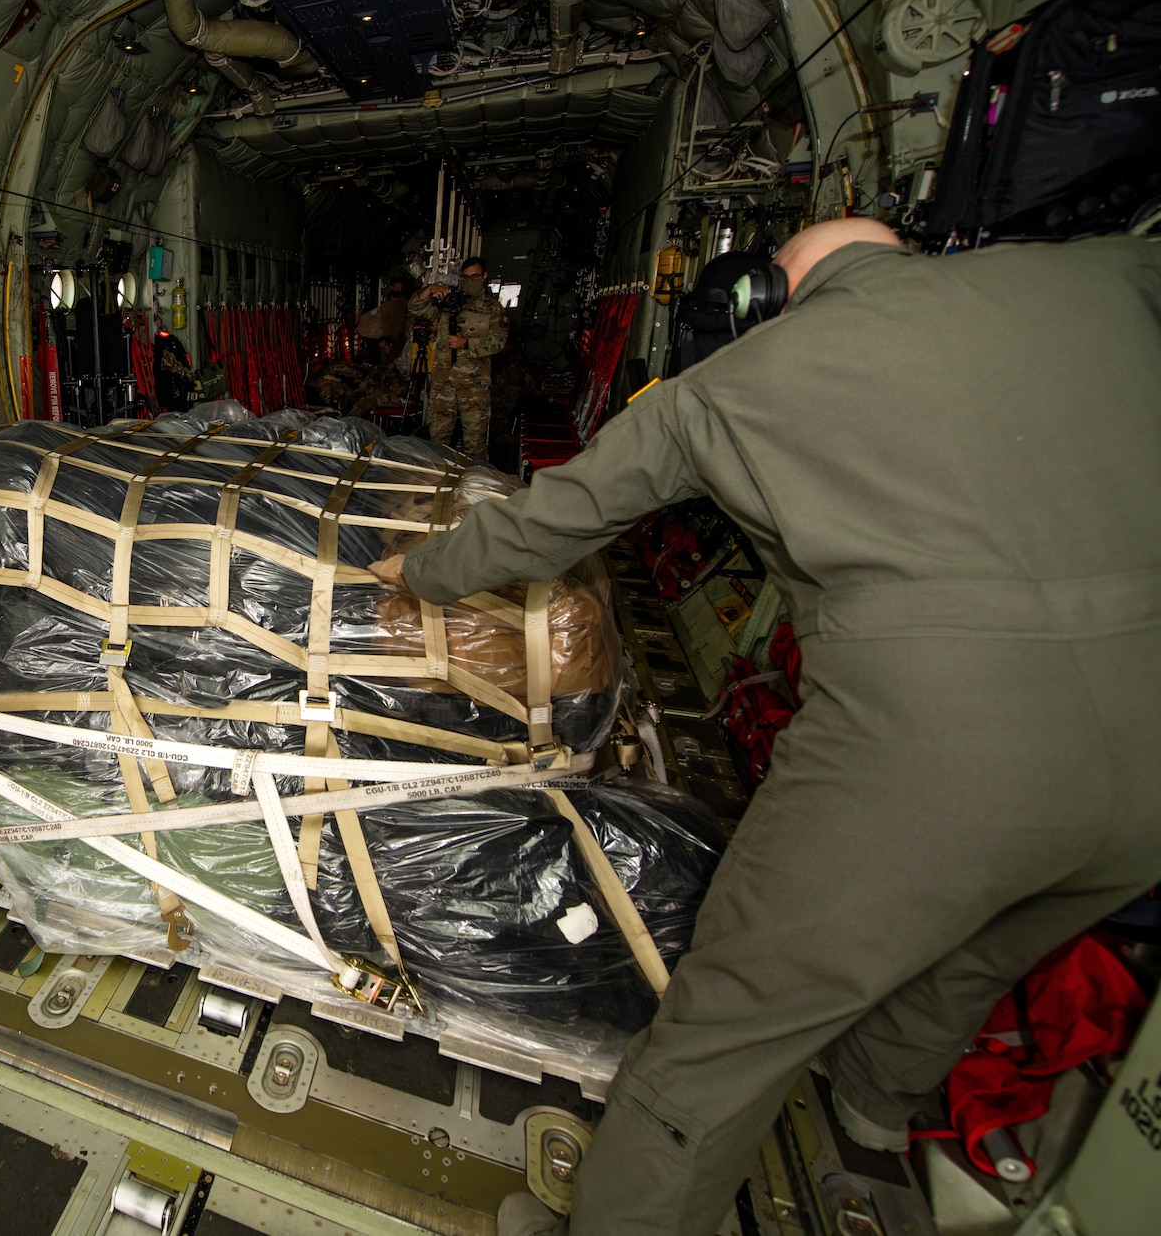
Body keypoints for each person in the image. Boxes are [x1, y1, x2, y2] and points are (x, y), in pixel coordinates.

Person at [369, 219, 1161, 1236]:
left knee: (726, 1021)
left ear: (761, 296)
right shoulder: (1101, 274)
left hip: (941, 752)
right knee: (974, 953)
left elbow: (549, 521)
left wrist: (422, 572)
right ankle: (873, 1114)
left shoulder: (739, 381)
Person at [408, 257, 509, 461]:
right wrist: (429, 290)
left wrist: (467, 343)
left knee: (474, 442)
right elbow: (416, 309)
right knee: (437, 438)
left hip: (473, 386)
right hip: (444, 382)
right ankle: (436, 484)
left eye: (475, 276)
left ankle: (475, 485)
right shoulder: (449, 304)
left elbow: (498, 341)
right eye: (465, 277)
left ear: (484, 277)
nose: (470, 281)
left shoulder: (492, 309)